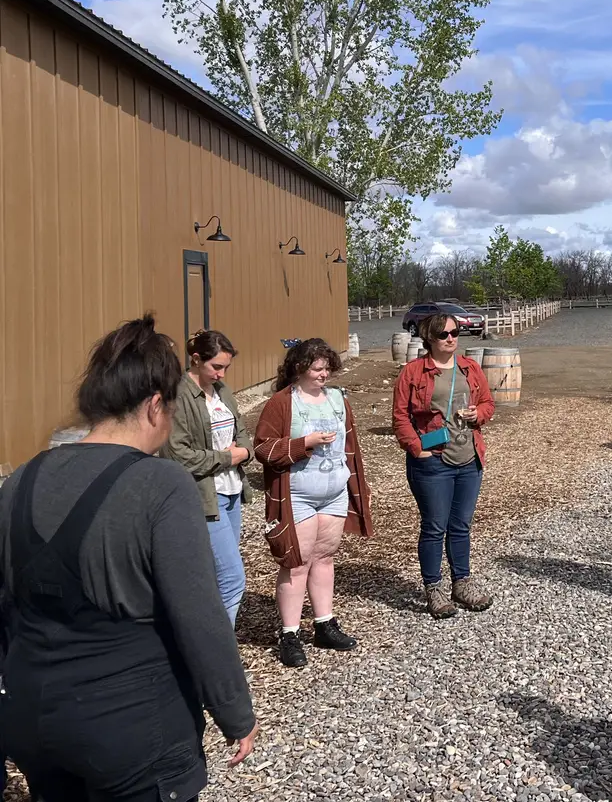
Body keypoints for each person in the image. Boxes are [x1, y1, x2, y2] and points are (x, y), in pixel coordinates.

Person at [0, 315, 256, 801]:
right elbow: (198, 615)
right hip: (132, 727)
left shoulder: (21, 480)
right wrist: (233, 710)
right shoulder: (160, 485)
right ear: (156, 406)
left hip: (33, 718)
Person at [254, 338, 372, 668]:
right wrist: (305, 442)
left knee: (324, 557)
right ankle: (289, 634)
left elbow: (351, 446)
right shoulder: (281, 403)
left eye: (327, 368)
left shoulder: (337, 399)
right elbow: (263, 448)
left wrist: (355, 484)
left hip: (333, 492)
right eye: (317, 368)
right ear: (299, 368)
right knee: (297, 561)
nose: (323, 374)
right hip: (298, 494)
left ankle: (324, 624)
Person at [392, 312, 495, 619]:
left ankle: (461, 582)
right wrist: (416, 448)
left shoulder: (470, 367)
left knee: (461, 526)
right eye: (444, 334)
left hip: (468, 459)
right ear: (430, 339)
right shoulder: (413, 372)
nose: (451, 338)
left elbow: (488, 402)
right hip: (433, 460)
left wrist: (479, 415)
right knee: (435, 527)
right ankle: (434, 588)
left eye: (455, 332)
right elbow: (399, 417)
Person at [163, 329, 254, 627]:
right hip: (203, 496)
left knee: (217, 574)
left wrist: (244, 452)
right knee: (231, 577)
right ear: (196, 359)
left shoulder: (223, 391)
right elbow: (179, 455)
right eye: (216, 366)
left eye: (226, 367)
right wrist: (230, 457)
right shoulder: (179, 395)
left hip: (230, 493)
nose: (221, 373)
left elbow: (241, 432)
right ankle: (218, 654)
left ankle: (202, 642)